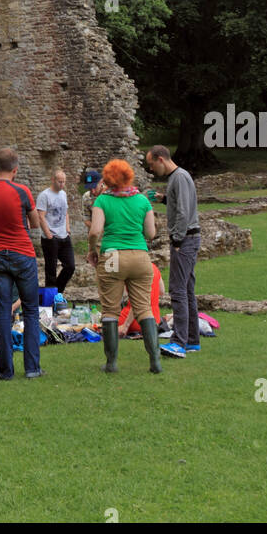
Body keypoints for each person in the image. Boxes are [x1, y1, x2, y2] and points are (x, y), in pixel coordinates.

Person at [87, 158, 161, 375]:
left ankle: (111, 363)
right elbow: (151, 233)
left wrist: (93, 250)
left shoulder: (102, 201)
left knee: (110, 310)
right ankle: (155, 360)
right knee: (144, 308)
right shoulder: (142, 201)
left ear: (108, 179)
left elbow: (94, 232)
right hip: (140, 256)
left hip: (111, 256)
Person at [0, 147, 42, 379]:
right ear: (15, 170)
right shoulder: (22, 190)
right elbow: (34, 223)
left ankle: (5, 371)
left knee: (3, 312)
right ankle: (33, 368)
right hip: (22, 253)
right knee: (31, 310)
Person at [144, 145, 201, 357]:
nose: (151, 170)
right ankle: (192, 340)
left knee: (177, 290)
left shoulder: (179, 177)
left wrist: (177, 240)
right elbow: (179, 204)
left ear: (160, 159)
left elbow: (184, 212)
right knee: (187, 290)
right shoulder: (178, 178)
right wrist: (162, 198)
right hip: (188, 239)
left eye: (151, 164)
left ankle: (179, 343)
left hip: (185, 240)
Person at [36, 168, 76, 294]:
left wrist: (68, 229)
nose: (62, 184)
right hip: (51, 238)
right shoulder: (44, 195)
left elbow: (66, 212)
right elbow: (40, 216)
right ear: (53, 180)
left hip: (64, 236)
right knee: (51, 270)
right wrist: (48, 235)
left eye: (64, 182)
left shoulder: (63, 194)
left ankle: (57, 292)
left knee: (70, 266)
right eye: (59, 181)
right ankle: (50, 301)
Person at [118, 261, 166, 338]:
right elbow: (162, 291)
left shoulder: (134, 270)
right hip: (154, 319)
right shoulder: (154, 267)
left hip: (135, 321)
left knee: (107, 324)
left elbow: (137, 302)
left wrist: (125, 325)